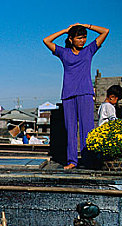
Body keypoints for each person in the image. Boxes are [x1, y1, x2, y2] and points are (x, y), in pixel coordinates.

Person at [43, 23, 109, 170]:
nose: (83, 41)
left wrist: (87, 25)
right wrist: (65, 30)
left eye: (84, 38)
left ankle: (87, 160)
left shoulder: (89, 51)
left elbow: (105, 31)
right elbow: (46, 40)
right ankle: (72, 161)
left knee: (88, 129)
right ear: (71, 39)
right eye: (79, 38)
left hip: (85, 93)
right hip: (68, 94)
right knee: (70, 129)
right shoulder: (64, 53)